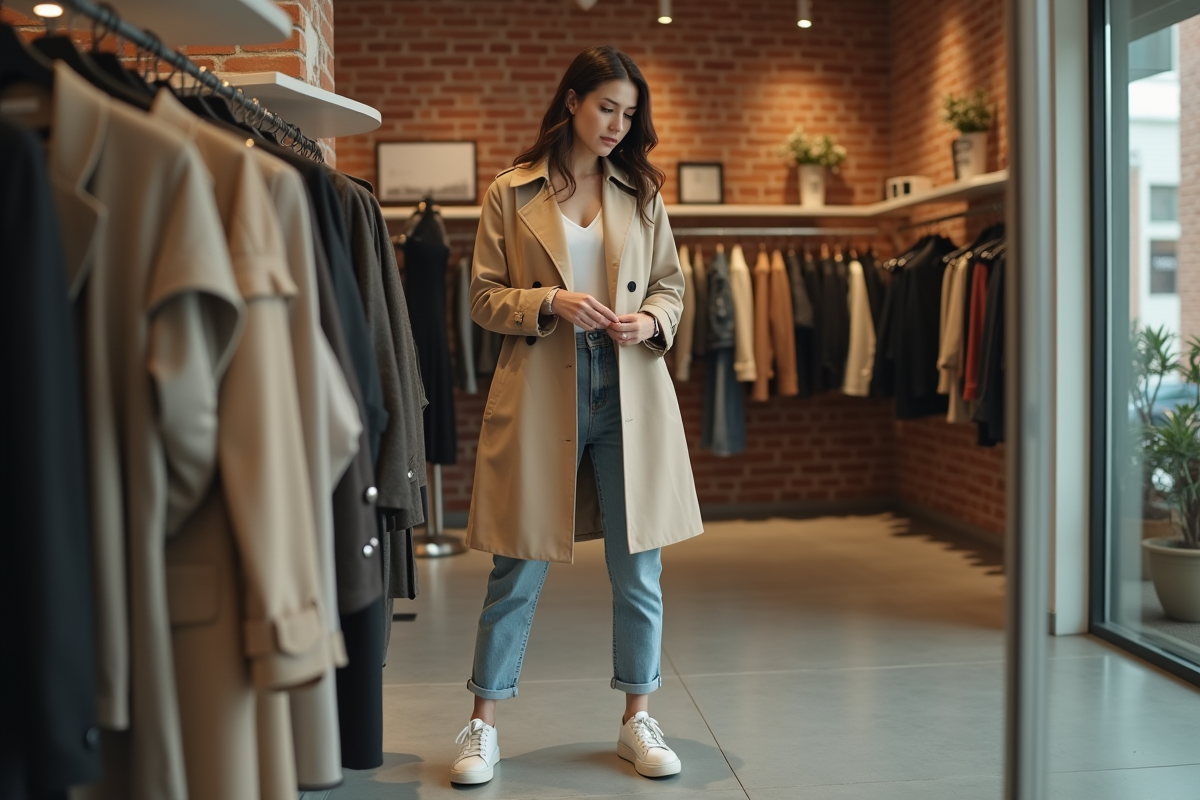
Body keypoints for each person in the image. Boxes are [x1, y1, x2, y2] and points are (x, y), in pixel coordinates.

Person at [450, 45, 704, 786]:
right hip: (544, 381)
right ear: (571, 101)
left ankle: (637, 718)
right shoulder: (511, 190)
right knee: (517, 564)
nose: (617, 126)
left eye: (629, 115)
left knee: (639, 565)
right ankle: (481, 724)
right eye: (606, 108)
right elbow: (483, 298)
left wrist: (650, 322)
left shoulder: (642, 192)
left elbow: (671, 286)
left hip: (628, 384)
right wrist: (550, 302)